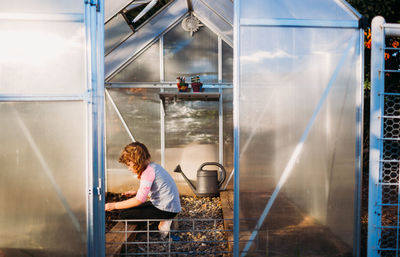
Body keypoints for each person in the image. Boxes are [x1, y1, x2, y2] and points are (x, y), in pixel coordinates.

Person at [105, 142, 181, 233]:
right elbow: (157, 190)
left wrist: (114, 205)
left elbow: (139, 200)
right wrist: (136, 192)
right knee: (131, 209)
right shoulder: (153, 167)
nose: (129, 168)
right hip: (169, 205)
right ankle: (160, 221)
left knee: (125, 215)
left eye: (129, 165)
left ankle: (161, 223)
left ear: (137, 161)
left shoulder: (147, 173)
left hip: (167, 210)